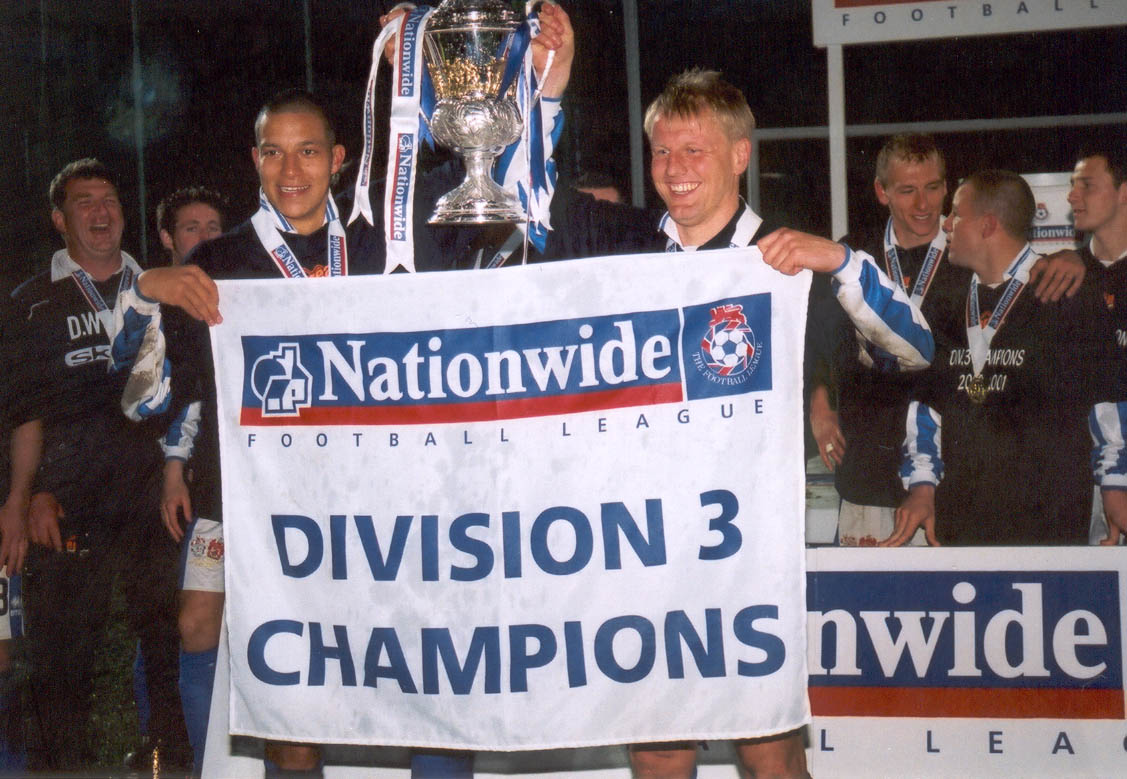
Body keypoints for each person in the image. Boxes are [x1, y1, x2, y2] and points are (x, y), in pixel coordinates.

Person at [125, 8, 573, 775]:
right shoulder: (218, 262)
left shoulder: (387, 236)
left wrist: (545, 86)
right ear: (255, 159)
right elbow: (144, 399)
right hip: (266, 517)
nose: (290, 171)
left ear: (338, 158)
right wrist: (146, 300)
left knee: (428, 678)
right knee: (283, 697)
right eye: (273, 153)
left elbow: (499, 199)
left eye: (307, 152)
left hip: (387, 507)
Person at [542, 66, 940, 779]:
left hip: (750, 552)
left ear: (738, 154)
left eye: (693, 150)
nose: (673, 170)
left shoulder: (788, 260)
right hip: (646, 546)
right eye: (662, 151)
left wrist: (843, 262)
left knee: (769, 752)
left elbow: (915, 348)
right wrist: (551, 84)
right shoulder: (626, 242)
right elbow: (527, 194)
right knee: (660, 751)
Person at [804, 134, 1085, 547]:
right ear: (882, 192)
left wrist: (1073, 258)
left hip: (952, 478)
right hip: (868, 462)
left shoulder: (967, 256)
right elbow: (817, 340)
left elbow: (1019, 275)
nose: (924, 205)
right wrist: (820, 402)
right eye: (908, 190)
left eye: (934, 188)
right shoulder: (855, 257)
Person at [3, 158, 188, 770]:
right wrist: (28, 493)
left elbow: (188, 393)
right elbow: (24, 412)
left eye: (108, 198)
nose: (101, 210)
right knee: (60, 657)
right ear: (60, 219)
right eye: (84, 201)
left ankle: (168, 755)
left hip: (150, 490)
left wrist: (177, 471)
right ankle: (59, 766)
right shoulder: (32, 302)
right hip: (67, 494)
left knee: (165, 639)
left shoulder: (162, 283)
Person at [889, 169, 1124, 546]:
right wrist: (921, 488)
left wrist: (1115, 487)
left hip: (1051, 524)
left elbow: (1107, 401)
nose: (946, 224)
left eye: (956, 214)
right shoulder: (944, 302)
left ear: (987, 225)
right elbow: (925, 407)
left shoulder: (1067, 292)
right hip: (963, 523)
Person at [1068, 144, 1127, 545]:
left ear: (1124, 192)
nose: (1072, 197)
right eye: (1073, 186)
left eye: (1087, 185)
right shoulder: (1062, 276)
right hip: (1082, 484)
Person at [157, 186, 228, 266]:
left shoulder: (240, 276)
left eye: (213, 229)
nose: (205, 238)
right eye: (192, 229)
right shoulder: (148, 278)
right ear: (167, 238)